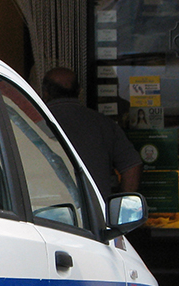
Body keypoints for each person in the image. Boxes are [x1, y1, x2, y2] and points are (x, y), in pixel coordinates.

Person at [41, 67, 142, 198]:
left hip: (42, 211)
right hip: (94, 214)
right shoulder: (104, 124)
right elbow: (132, 167)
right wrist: (121, 207)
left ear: (45, 92)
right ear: (79, 91)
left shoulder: (32, 122)